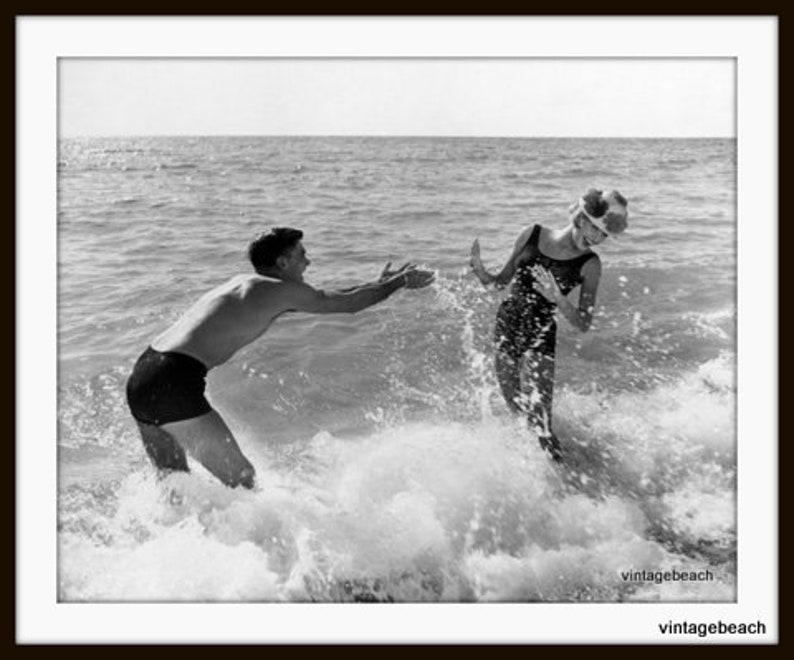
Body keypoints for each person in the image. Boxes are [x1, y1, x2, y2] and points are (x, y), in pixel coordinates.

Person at [126, 228, 435, 489]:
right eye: (302, 255)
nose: (308, 261)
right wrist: (399, 283)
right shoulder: (278, 290)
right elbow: (348, 304)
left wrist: (378, 285)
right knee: (243, 481)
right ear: (282, 262)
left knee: (174, 483)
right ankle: (260, 554)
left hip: (144, 374)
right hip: (175, 381)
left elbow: (328, 296)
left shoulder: (246, 284)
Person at [469, 188, 629, 461]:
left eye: (605, 235)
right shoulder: (531, 234)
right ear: (581, 218)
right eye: (598, 230)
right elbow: (500, 283)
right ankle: (529, 475)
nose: (600, 239)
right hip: (507, 323)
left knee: (541, 424)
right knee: (517, 410)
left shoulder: (590, 265)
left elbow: (583, 323)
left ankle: (566, 479)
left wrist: (558, 298)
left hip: (541, 333)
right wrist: (481, 271)